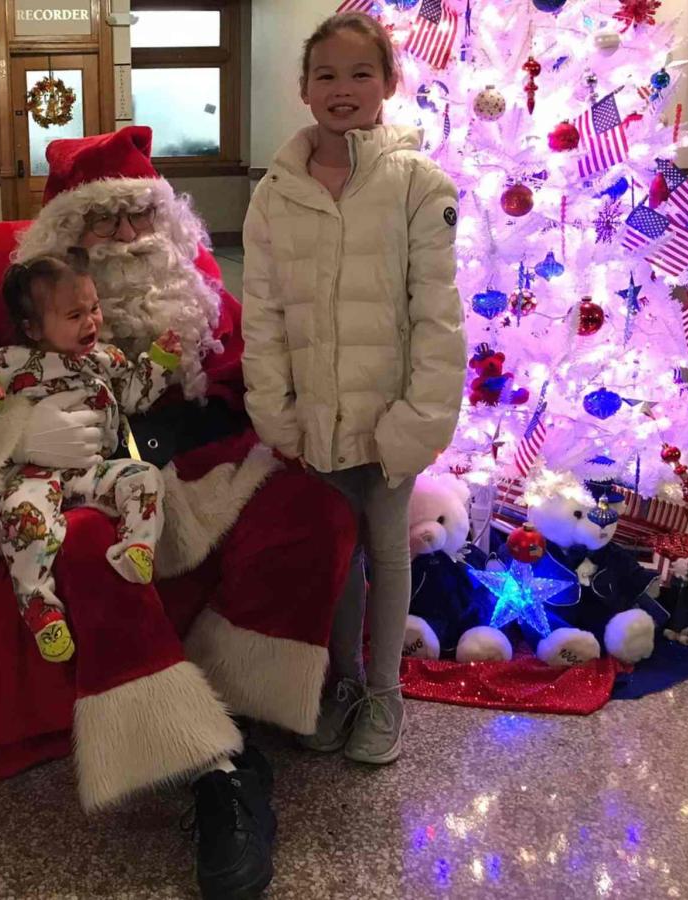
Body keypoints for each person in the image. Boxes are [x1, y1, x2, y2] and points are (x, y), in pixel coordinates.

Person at [0, 126, 357, 900]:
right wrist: (17, 430)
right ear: (68, 233)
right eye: (106, 221)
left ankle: (250, 697)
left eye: (141, 215)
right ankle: (199, 752)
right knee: (86, 546)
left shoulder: (196, 287)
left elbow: (251, 379)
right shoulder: (29, 302)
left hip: (205, 465)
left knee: (314, 510)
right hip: (81, 477)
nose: (131, 237)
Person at [242, 11, 467, 765]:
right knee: (336, 556)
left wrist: (419, 418)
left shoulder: (415, 182)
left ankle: (384, 692)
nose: (343, 89)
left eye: (360, 73)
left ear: (390, 84)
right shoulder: (277, 192)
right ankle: (342, 684)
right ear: (304, 89)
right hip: (317, 418)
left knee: (387, 551)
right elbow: (266, 314)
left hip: (389, 417)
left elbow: (437, 317)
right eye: (327, 75)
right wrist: (277, 411)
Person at [0, 248, 183, 662]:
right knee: (22, 518)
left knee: (145, 477)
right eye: (74, 316)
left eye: (93, 308)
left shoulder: (104, 358)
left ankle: (138, 547)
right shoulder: (13, 360)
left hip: (94, 470)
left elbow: (133, 394)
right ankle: (39, 606)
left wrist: (160, 362)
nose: (91, 321)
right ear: (34, 328)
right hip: (36, 473)